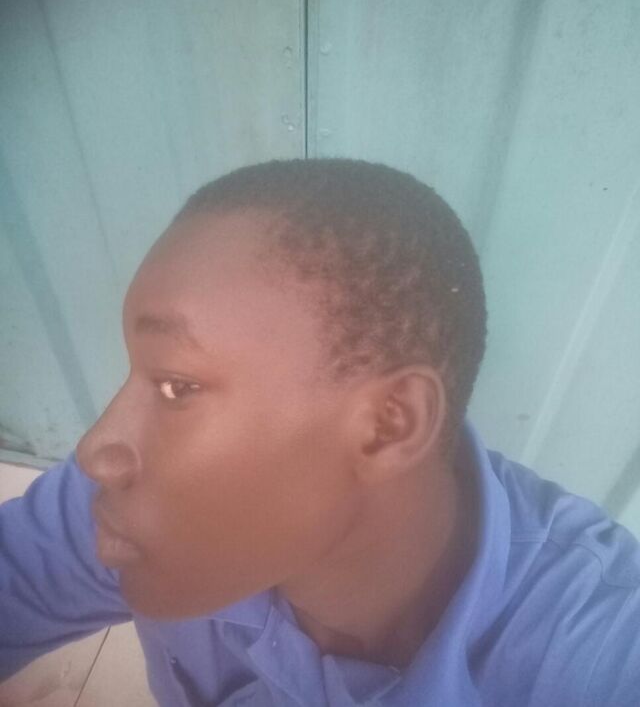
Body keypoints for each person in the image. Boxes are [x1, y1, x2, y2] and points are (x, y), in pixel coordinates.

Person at [1, 157, 638, 706]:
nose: (96, 451)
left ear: (388, 425)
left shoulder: (597, 658)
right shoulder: (137, 507)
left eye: (175, 387)